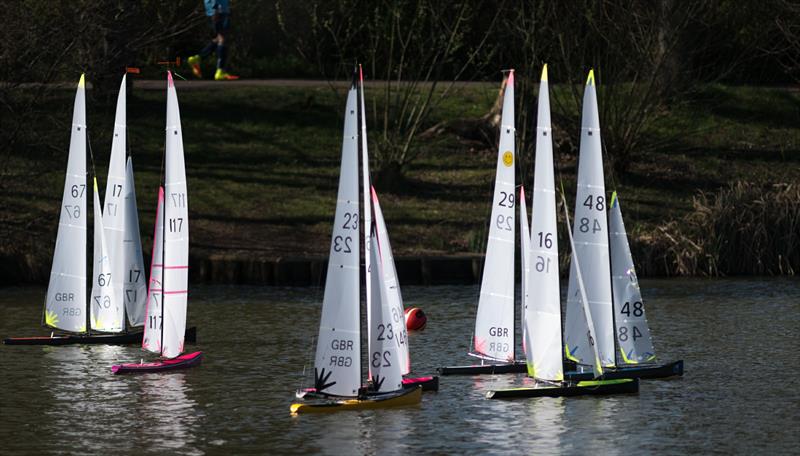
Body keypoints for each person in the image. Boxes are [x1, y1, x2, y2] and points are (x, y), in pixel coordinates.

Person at [187, 0, 239, 81]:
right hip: (218, 9)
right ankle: (220, 71)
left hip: (219, 9)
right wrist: (215, 9)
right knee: (222, 38)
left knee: (219, 38)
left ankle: (197, 59)